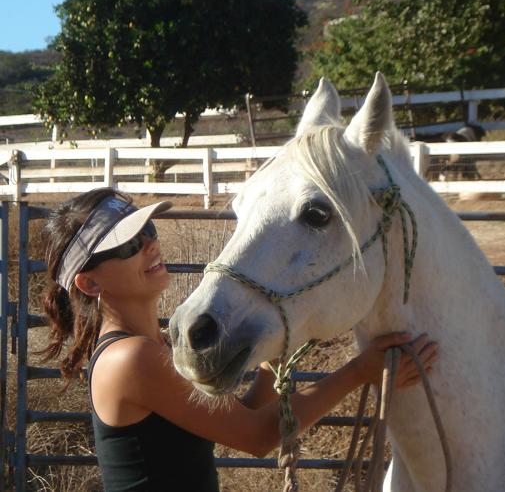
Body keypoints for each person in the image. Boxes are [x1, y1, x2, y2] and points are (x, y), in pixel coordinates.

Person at [41, 187, 438, 492]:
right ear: (89, 283)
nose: (149, 244)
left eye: (147, 230)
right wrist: (360, 371)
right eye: (129, 245)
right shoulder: (131, 359)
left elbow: (243, 414)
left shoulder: (154, 345)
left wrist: (274, 358)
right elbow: (258, 436)